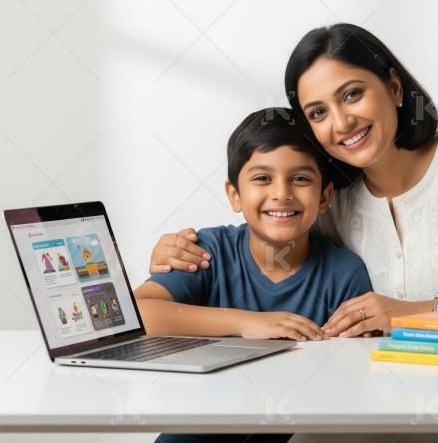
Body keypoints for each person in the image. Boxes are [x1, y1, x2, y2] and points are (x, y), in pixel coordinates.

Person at [148, 24, 438, 443]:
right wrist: (179, 250)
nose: (341, 123)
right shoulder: (334, 201)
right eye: (318, 112)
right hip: (373, 423)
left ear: (394, 88)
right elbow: (269, 228)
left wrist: (417, 314)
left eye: (352, 94)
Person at [135, 108, 373, 443]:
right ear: (235, 195)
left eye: (300, 179)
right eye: (262, 178)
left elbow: (352, 382)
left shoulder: (345, 275)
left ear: (324, 196)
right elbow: (139, 314)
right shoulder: (208, 252)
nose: (282, 193)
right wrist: (246, 323)